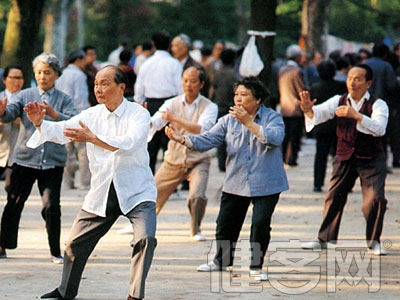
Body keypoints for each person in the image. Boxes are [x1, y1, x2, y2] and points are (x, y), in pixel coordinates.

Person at [25, 65, 157, 300]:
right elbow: (62, 130)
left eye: (104, 83)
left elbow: (129, 142)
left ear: (122, 87)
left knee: (145, 238)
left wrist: (93, 138)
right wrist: (39, 123)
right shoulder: (91, 115)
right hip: (103, 191)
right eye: (96, 83)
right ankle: (65, 292)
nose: (98, 88)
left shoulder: (138, 113)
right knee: (73, 244)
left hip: (138, 191)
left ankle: (135, 295)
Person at [165, 76, 289, 280]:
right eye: (236, 95)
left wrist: (249, 122)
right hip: (236, 180)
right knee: (225, 223)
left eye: (244, 95)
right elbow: (208, 139)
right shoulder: (228, 120)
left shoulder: (272, 117)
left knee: (260, 224)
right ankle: (221, 261)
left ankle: (256, 266)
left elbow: (274, 139)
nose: (238, 99)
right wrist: (183, 139)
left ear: (257, 99)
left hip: (267, 181)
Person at [298, 64, 389, 255]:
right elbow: (320, 113)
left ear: (368, 83)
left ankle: (374, 241)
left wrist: (357, 116)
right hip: (345, 154)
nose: (352, 83)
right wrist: (308, 110)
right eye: (349, 78)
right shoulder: (339, 100)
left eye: (358, 79)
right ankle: (324, 238)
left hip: (371, 156)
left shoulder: (378, 104)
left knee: (375, 199)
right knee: (334, 195)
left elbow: (379, 129)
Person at [0, 53, 77, 262]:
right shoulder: (25, 95)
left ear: (56, 75)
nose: (43, 76)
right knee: (14, 202)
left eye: (48, 72)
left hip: (53, 161)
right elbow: (11, 113)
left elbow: (72, 122)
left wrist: (53, 113)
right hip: (25, 157)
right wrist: (2, 112)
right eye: (39, 72)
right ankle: (3, 245)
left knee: (51, 206)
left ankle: (55, 251)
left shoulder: (64, 99)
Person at [151, 66, 217, 241]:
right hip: (173, 159)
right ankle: (143, 225)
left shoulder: (209, 107)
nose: (188, 85)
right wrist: (143, 121)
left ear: (201, 84)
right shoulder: (171, 103)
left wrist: (174, 118)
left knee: (197, 195)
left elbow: (200, 129)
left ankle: (195, 229)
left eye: (193, 81)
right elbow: (156, 121)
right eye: (185, 80)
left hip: (198, 159)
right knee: (151, 194)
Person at [134, 30, 183, 173]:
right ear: (169, 45)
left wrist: (141, 104)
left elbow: (139, 90)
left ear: (153, 44)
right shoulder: (174, 64)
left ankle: (148, 182)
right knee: (169, 145)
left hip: (150, 105)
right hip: (170, 107)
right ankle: (171, 185)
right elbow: (180, 89)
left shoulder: (146, 64)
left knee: (150, 147)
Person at [55, 49, 91, 190]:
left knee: (67, 151)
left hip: (60, 115)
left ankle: (67, 182)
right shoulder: (79, 75)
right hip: (76, 116)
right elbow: (80, 99)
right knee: (83, 152)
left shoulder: (61, 74)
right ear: (79, 60)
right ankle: (85, 182)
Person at [309, 60, 347, 192]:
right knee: (341, 155)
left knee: (320, 155)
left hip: (321, 125)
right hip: (339, 124)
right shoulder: (341, 86)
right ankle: (341, 182)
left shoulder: (314, 87)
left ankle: (317, 183)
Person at [278, 44, 308, 167]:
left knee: (285, 135)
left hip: (284, 106)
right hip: (295, 107)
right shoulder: (297, 72)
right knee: (294, 136)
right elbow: (302, 90)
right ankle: (291, 159)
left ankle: (284, 157)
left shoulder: (282, 70)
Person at [212, 48, 238, 172]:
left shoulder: (218, 73)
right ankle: (230, 162)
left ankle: (222, 163)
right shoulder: (234, 75)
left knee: (220, 137)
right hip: (231, 108)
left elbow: (214, 89)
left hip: (219, 107)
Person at [0, 65, 24, 189]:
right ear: (4, 79)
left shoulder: (28, 100)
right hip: (1, 148)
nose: (17, 81)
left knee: (13, 189)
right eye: (13, 78)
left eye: (20, 78)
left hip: (18, 153)